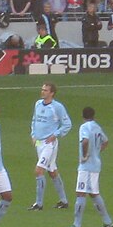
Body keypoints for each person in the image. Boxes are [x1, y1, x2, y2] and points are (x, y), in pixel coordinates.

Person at [64, 107, 113, 227]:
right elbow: (106, 141)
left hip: (86, 167)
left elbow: (85, 141)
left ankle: (77, 225)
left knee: (80, 193)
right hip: (96, 165)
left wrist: (85, 155)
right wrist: (97, 152)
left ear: (83, 116)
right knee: (93, 193)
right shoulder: (97, 127)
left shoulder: (84, 127)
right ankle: (108, 222)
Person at [28, 82, 72, 211]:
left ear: (52, 93)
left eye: (46, 90)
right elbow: (34, 120)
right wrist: (33, 135)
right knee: (52, 171)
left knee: (39, 170)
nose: (43, 92)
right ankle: (64, 201)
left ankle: (39, 204)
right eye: (42, 89)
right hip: (38, 143)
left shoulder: (57, 107)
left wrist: (56, 135)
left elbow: (67, 124)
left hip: (49, 144)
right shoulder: (37, 104)